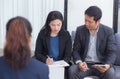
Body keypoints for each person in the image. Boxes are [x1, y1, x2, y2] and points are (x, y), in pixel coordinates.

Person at [68, 6, 116, 79]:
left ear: (98, 21)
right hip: (85, 65)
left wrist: (107, 65)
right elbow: (76, 50)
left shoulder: (108, 31)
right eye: (85, 20)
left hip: (101, 65)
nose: (86, 23)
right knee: (72, 70)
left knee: (110, 73)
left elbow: (112, 52)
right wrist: (79, 62)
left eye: (90, 21)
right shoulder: (80, 30)